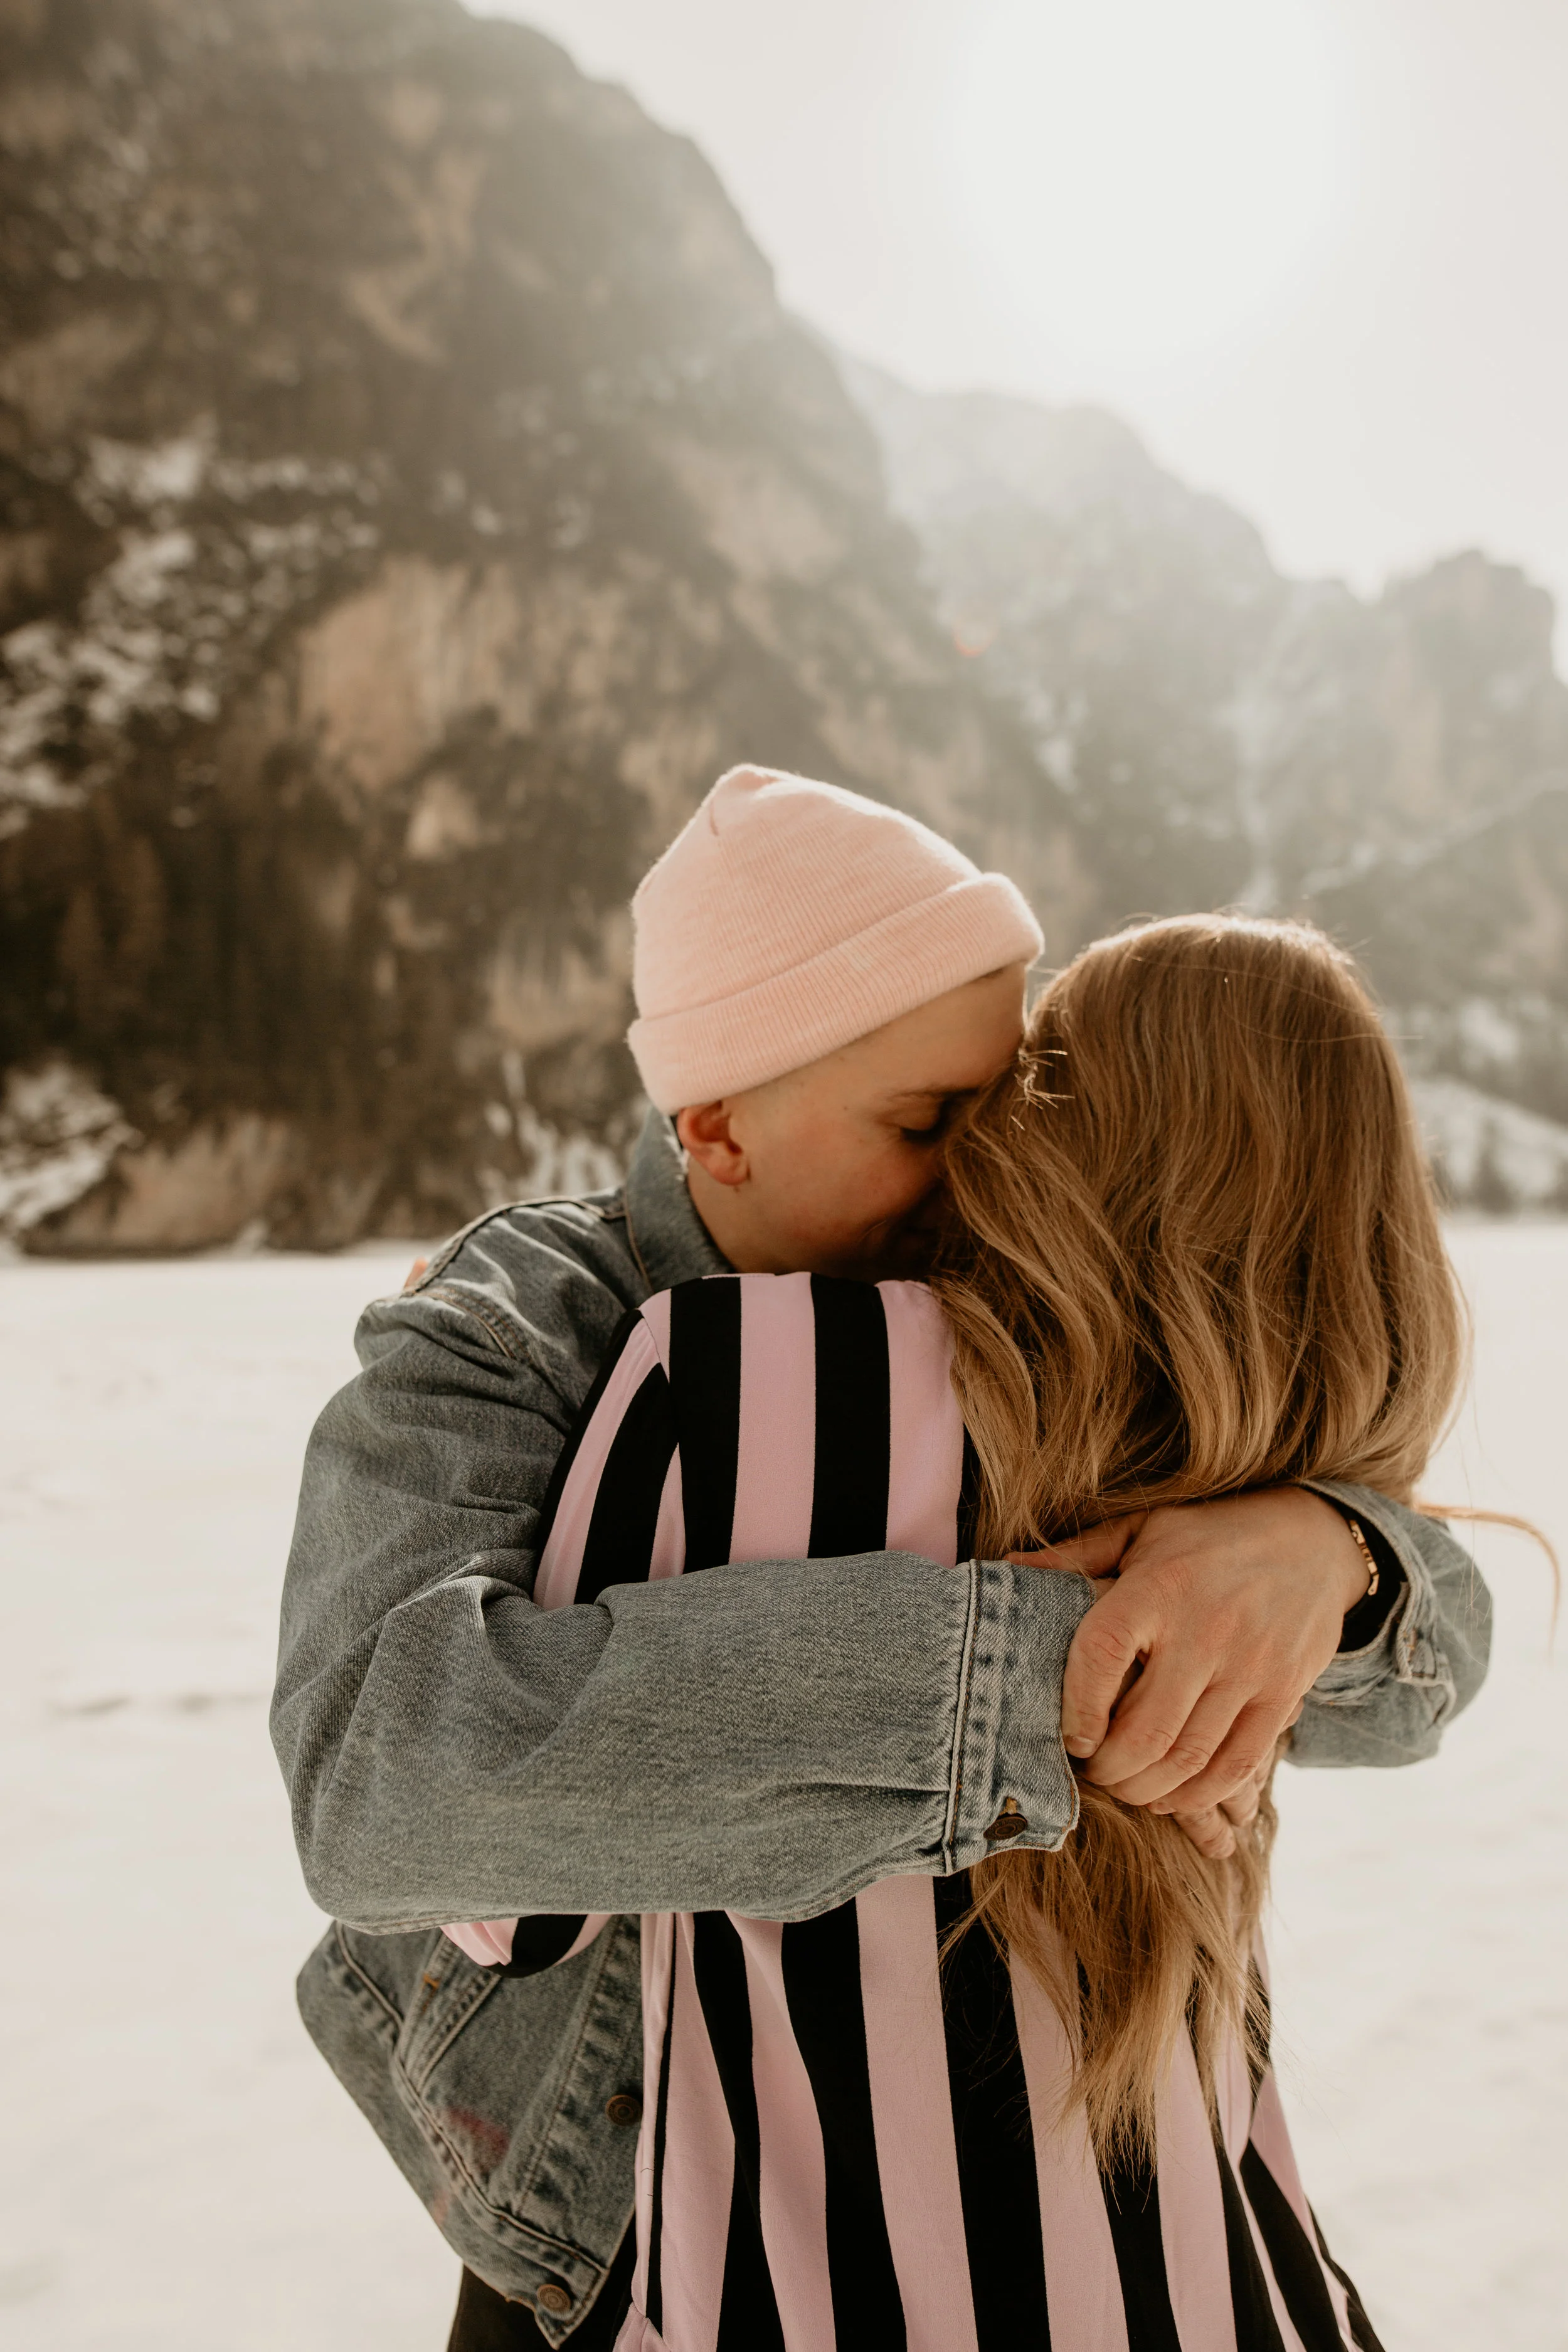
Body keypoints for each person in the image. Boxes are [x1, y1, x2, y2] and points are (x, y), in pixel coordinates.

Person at [273, 770, 1488, 2349]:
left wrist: (1333, 1556)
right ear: (715, 1124)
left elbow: (1405, 1690)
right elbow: (391, 1789)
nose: (991, 1177)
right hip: (594, 2214)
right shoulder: (524, 1332)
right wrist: (1047, 1664)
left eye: (1013, 1108)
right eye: (925, 1124)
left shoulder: (1005, 1289)